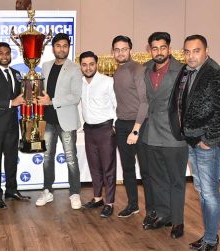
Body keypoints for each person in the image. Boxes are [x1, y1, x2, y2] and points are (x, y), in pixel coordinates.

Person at [169, 34, 220, 251]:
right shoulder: (187, 72)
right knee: (202, 190)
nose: (191, 56)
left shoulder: (215, 74)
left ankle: (211, 241)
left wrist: (208, 141)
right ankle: (208, 237)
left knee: (210, 193)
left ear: (206, 51)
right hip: (192, 140)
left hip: (207, 145)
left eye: (196, 51)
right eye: (187, 51)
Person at [141, 32, 188, 239]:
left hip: (174, 135)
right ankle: (163, 215)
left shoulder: (182, 71)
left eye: (162, 47)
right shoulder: (146, 70)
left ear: (169, 48)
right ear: (149, 49)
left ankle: (177, 222)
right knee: (157, 180)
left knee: (176, 181)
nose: (158, 52)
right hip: (152, 135)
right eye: (154, 48)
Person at [35, 33, 82, 210]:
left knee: (71, 158)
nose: (61, 49)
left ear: (68, 48)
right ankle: (47, 190)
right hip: (47, 120)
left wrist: (52, 101)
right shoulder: (45, 66)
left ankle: (75, 192)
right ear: (53, 48)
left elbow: (75, 97)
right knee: (47, 158)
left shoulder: (75, 68)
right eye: (58, 45)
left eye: (65, 46)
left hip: (66, 121)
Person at [111, 35, 154, 223]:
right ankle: (133, 205)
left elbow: (144, 102)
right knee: (128, 169)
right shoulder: (117, 72)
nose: (121, 52)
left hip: (139, 125)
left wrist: (135, 130)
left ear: (130, 50)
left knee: (145, 170)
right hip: (121, 125)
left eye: (124, 49)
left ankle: (152, 211)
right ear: (113, 52)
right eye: (117, 49)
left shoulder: (138, 69)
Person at [0, 42, 29, 209]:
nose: (4, 56)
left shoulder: (17, 74)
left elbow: (22, 97)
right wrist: (11, 102)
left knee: (11, 159)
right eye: (0, 53)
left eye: (7, 53)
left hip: (12, 124)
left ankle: (11, 190)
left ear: (11, 55)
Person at [79, 51, 117, 217]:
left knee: (108, 167)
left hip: (105, 129)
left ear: (97, 64)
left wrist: (114, 126)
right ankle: (97, 198)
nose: (88, 68)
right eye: (84, 64)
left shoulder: (108, 81)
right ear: (81, 66)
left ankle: (109, 203)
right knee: (94, 166)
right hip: (89, 130)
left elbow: (117, 104)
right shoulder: (79, 82)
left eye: (91, 64)